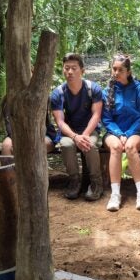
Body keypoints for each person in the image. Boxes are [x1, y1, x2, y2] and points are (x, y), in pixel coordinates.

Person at [50, 53, 104, 201]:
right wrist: (75, 137)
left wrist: (84, 135)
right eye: (66, 68)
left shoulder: (93, 89)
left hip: (90, 130)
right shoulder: (58, 93)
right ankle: (74, 180)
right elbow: (60, 122)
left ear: (82, 70)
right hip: (69, 132)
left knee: (90, 145)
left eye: (74, 68)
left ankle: (96, 183)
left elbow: (96, 115)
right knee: (66, 145)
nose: (70, 72)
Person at [102, 54, 140, 211]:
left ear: (128, 71)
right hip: (113, 132)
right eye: (114, 69)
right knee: (115, 147)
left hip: (135, 132)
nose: (116, 72)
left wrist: (127, 134)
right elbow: (106, 119)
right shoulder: (108, 91)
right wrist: (119, 133)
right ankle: (115, 194)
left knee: (130, 147)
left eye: (120, 70)